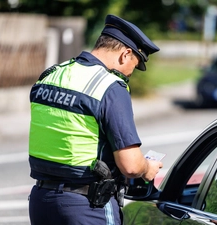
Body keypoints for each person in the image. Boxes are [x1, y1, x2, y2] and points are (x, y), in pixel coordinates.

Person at [28, 14, 163, 225]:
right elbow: (131, 166)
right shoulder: (110, 87)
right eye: (134, 66)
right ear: (125, 54)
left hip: (41, 202)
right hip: (87, 206)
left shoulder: (51, 75)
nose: (130, 74)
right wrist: (147, 168)